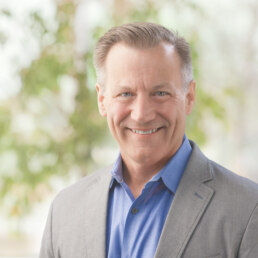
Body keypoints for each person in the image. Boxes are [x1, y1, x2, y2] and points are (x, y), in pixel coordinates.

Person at [39, 22, 258, 258]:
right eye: (125, 94)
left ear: (189, 97)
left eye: (160, 93)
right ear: (102, 100)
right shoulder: (64, 210)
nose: (142, 114)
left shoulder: (247, 210)